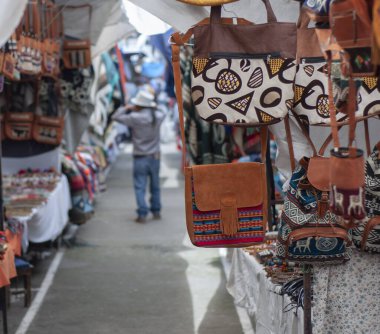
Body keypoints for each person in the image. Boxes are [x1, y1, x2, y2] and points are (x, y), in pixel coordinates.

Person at [112, 89, 165, 223]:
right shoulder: (156, 116)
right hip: (155, 156)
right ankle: (156, 210)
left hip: (140, 156)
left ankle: (142, 213)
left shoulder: (134, 117)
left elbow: (115, 117)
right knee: (155, 185)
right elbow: (163, 112)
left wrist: (127, 108)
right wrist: (153, 106)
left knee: (140, 186)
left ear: (138, 105)